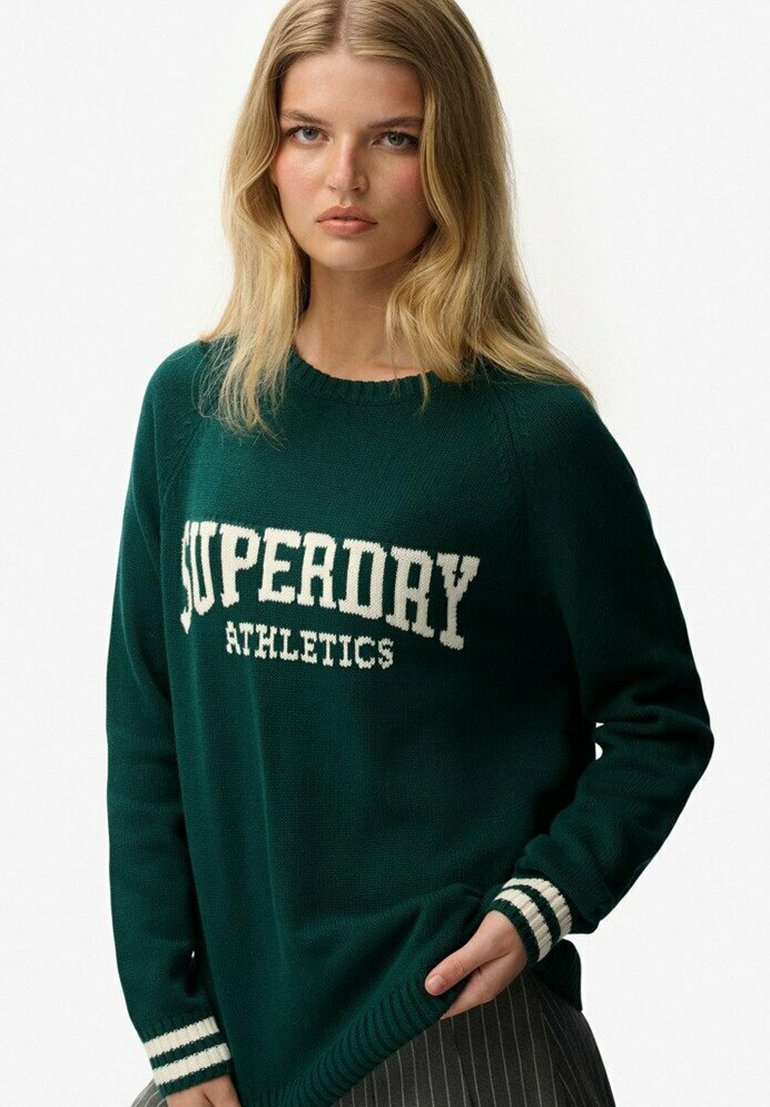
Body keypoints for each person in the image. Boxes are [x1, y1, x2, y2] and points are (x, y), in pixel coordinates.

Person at [107, 2, 714, 1105]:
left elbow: (658, 717)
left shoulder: (531, 436)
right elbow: (147, 729)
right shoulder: (190, 408)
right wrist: (170, 1018)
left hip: (453, 1023)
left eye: (393, 137)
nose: (343, 177)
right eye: (307, 133)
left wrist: (538, 907)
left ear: (451, 158)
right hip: (233, 1042)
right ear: (266, 154)